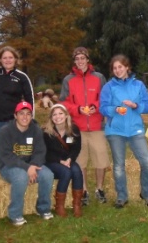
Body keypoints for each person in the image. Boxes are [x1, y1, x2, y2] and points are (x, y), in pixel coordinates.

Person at [100, 54, 148, 209]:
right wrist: (115, 109)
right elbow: (103, 107)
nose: (118, 70)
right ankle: (121, 196)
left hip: (135, 129)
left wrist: (135, 106)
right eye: (115, 68)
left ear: (127, 67)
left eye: (120, 67)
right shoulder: (109, 87)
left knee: (147, 162)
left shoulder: (138, 85)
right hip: (115, 130)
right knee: (119, 165)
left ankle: (147, 194)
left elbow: (147, 105)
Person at [59, 47, 110, 205]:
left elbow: (106, 97)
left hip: (96, 126)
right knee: (80, 161)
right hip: (77, 127)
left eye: (83, 58)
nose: (80, 61)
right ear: (74, 61)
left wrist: (95, 105)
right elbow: (63, 102)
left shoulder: (99, 77)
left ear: (88, 59)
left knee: (101, 159)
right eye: (77, 58)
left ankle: (99, 189)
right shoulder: (68, 80)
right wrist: (78, 109)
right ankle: (85, 190)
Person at [0, 101, 54, 226]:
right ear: (15, 115)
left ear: (31, 116)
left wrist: (33, 165)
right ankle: (15, 214)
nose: (25, 117)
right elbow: (6, 156)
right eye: (21, 113)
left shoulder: (36, 130)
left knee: (47, 175)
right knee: (20, 177)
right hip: (9, 166)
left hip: (31, 164)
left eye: (28, 114)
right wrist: (27, 168)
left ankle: (43, 209)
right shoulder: (5, 131)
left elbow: (40, 151)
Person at [43, 104, 83, 217]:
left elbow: (76, 148)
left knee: (77, 170)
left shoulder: (73, 129)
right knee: (66, 172)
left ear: (66, 116)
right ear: (51, 118)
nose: (57, 116)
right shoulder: (46, 132)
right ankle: (59, 206)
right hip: (51, 161)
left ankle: (77, 205)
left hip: (68, 160)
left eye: (60, 113)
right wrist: (60, 161)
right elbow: (44, 153)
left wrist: (70, 159)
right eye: (54, 114)